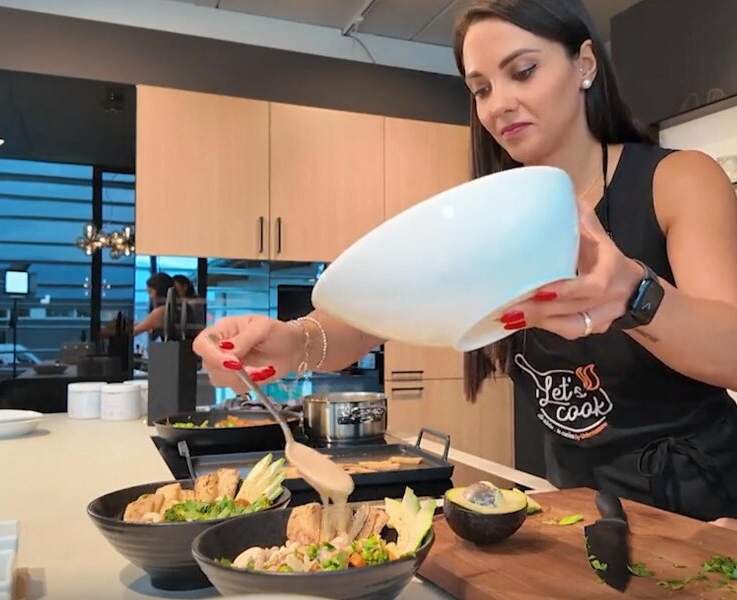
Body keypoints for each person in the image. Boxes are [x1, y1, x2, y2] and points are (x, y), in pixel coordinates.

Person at [193, 0, 737, 525]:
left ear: (585, 64)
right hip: (580, 509)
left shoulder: (677, 180)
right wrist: (293, 342)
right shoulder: (492, 216)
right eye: (481, 89)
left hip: (706, 509)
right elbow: (368, 317)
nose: (498, 104)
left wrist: (635, 294)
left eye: (523, 71)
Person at [133, 272, 174, 336]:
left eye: (150, 292)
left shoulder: (161, 311)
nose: (150, 297)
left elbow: (134, 331)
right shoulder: (175, 307)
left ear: (159, 291)